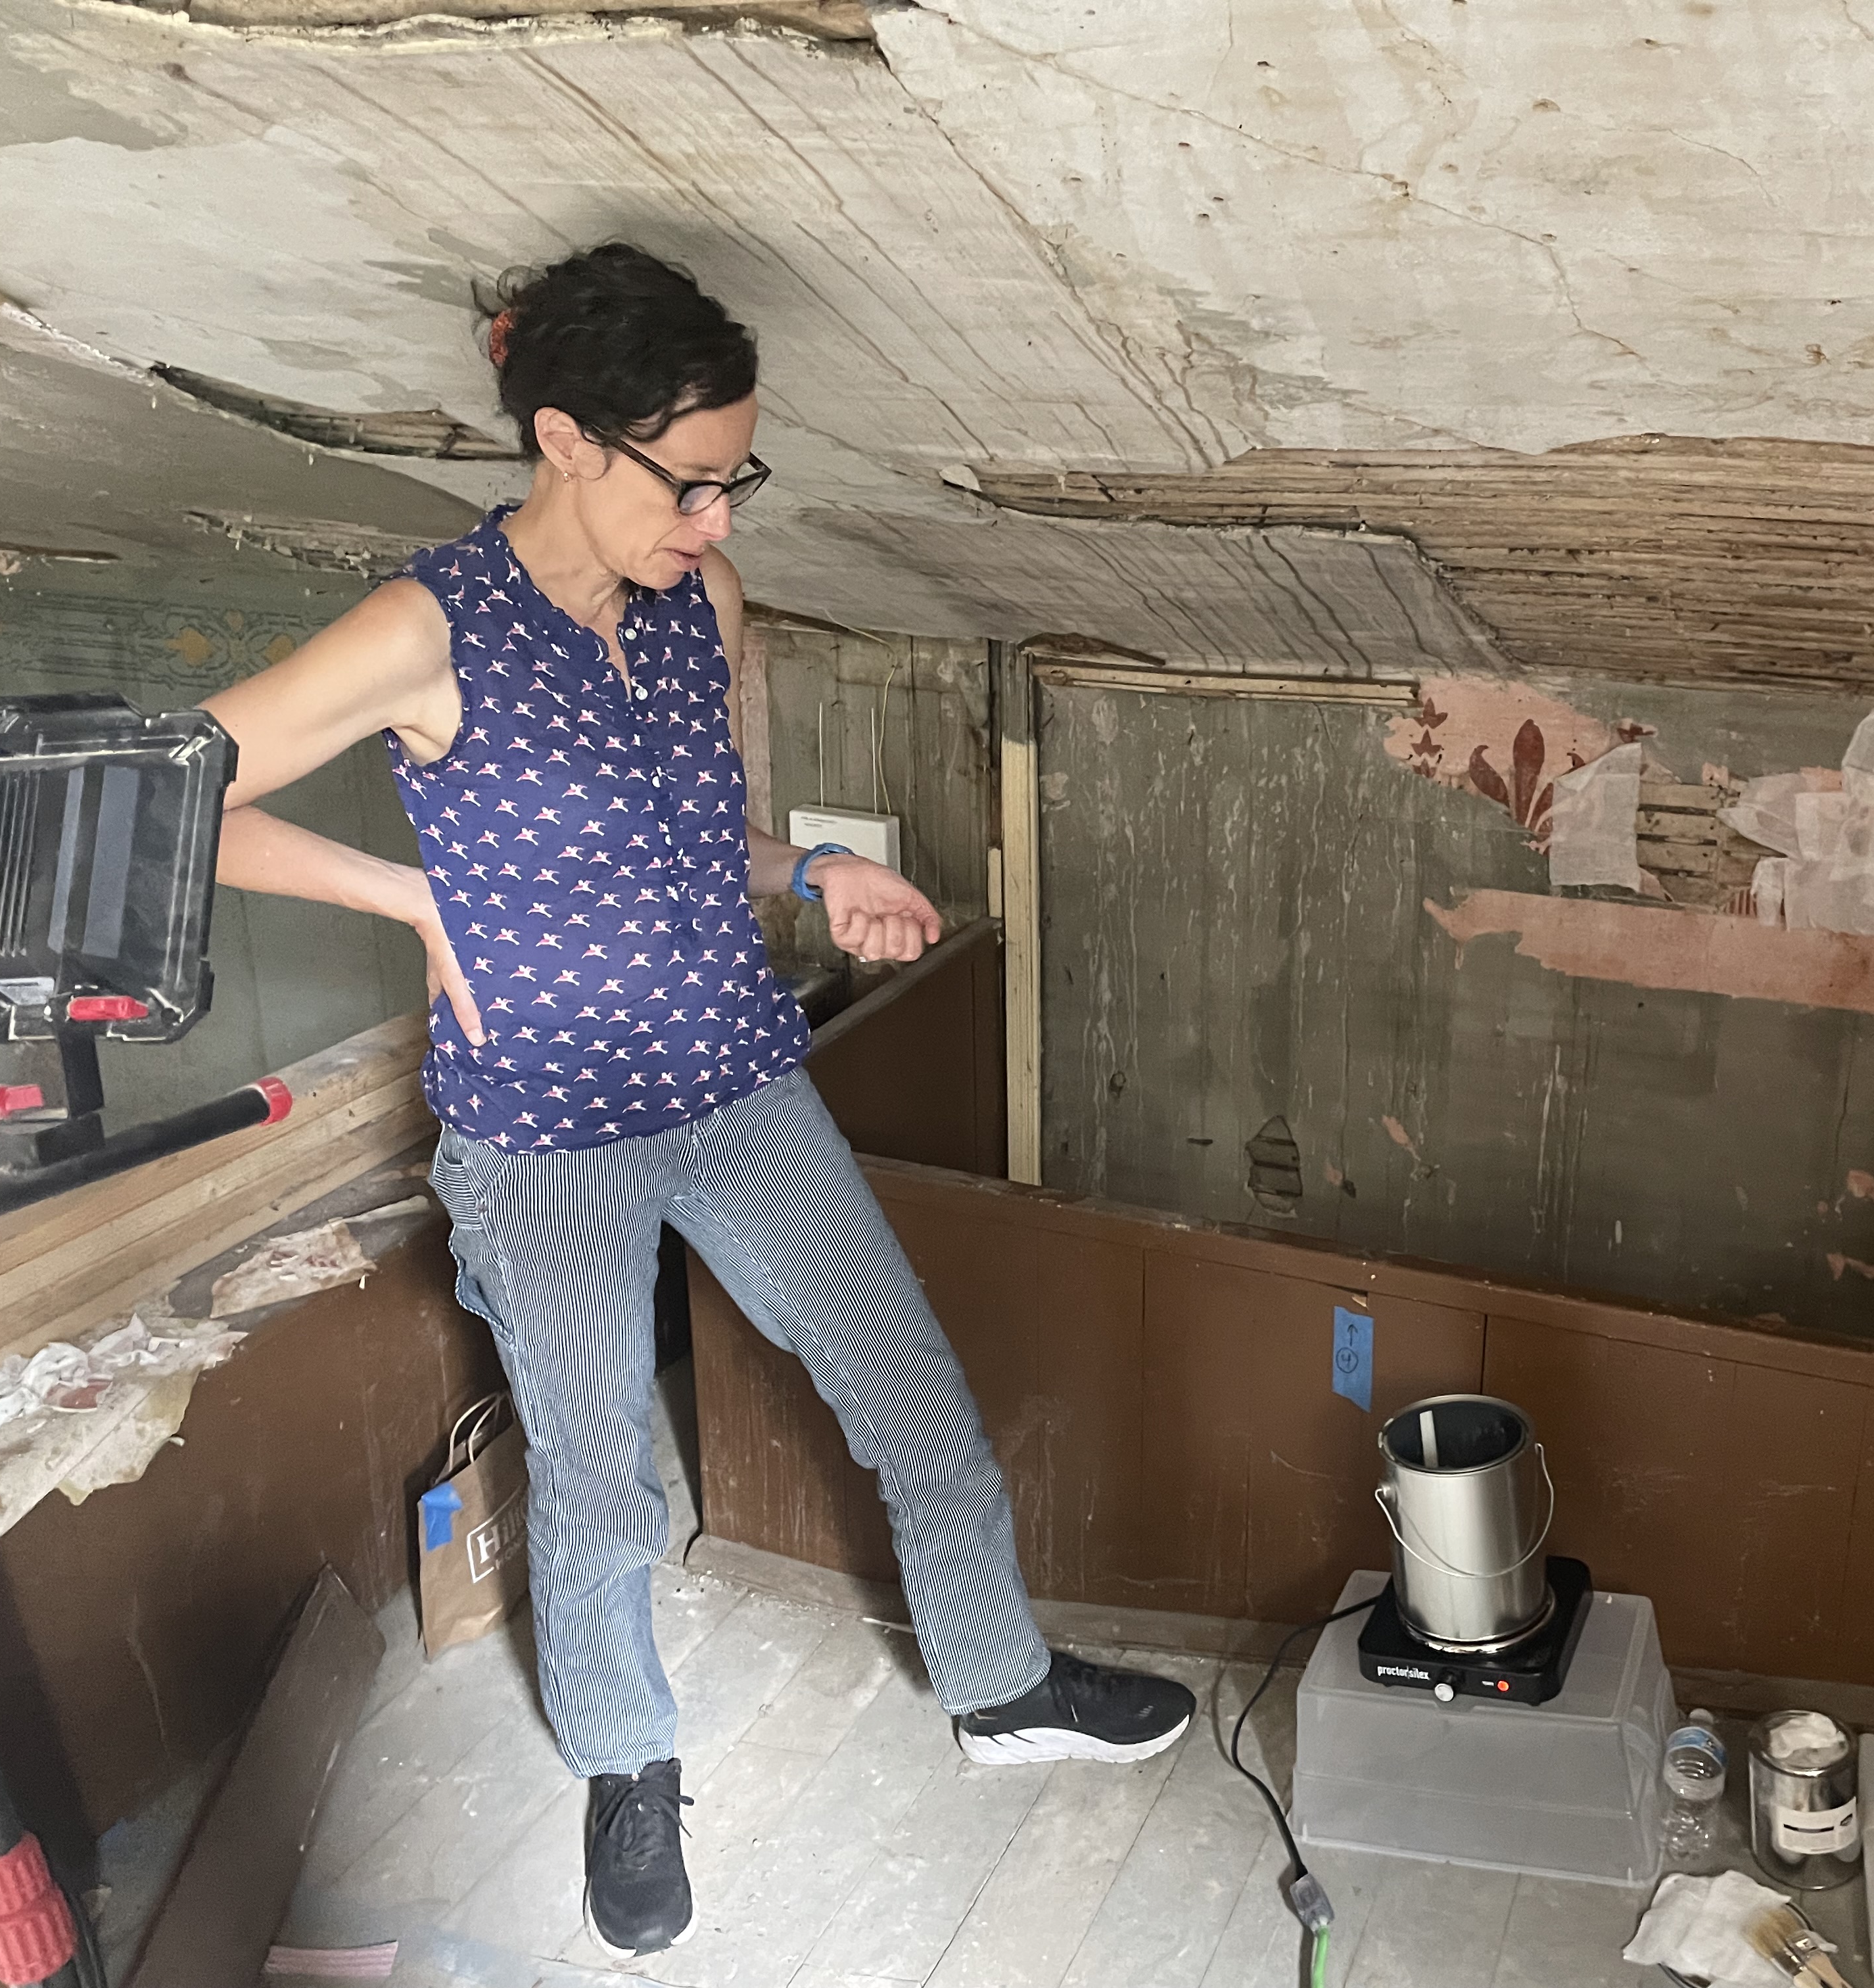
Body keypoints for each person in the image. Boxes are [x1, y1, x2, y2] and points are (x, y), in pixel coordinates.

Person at [202, 243, 1193, 1957]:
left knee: (914, 1392)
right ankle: (627, 1761)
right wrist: (415, 902)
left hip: (733, 1081)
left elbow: (687, 844)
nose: (721, 518)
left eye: (740, 478)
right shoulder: (427, 628)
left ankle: (1002, 1683)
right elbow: (178, 792)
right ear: (568, 439)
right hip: (543, 1131)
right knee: (597, 1486)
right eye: (692, 480)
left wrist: (811, 866)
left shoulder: (697, 611)